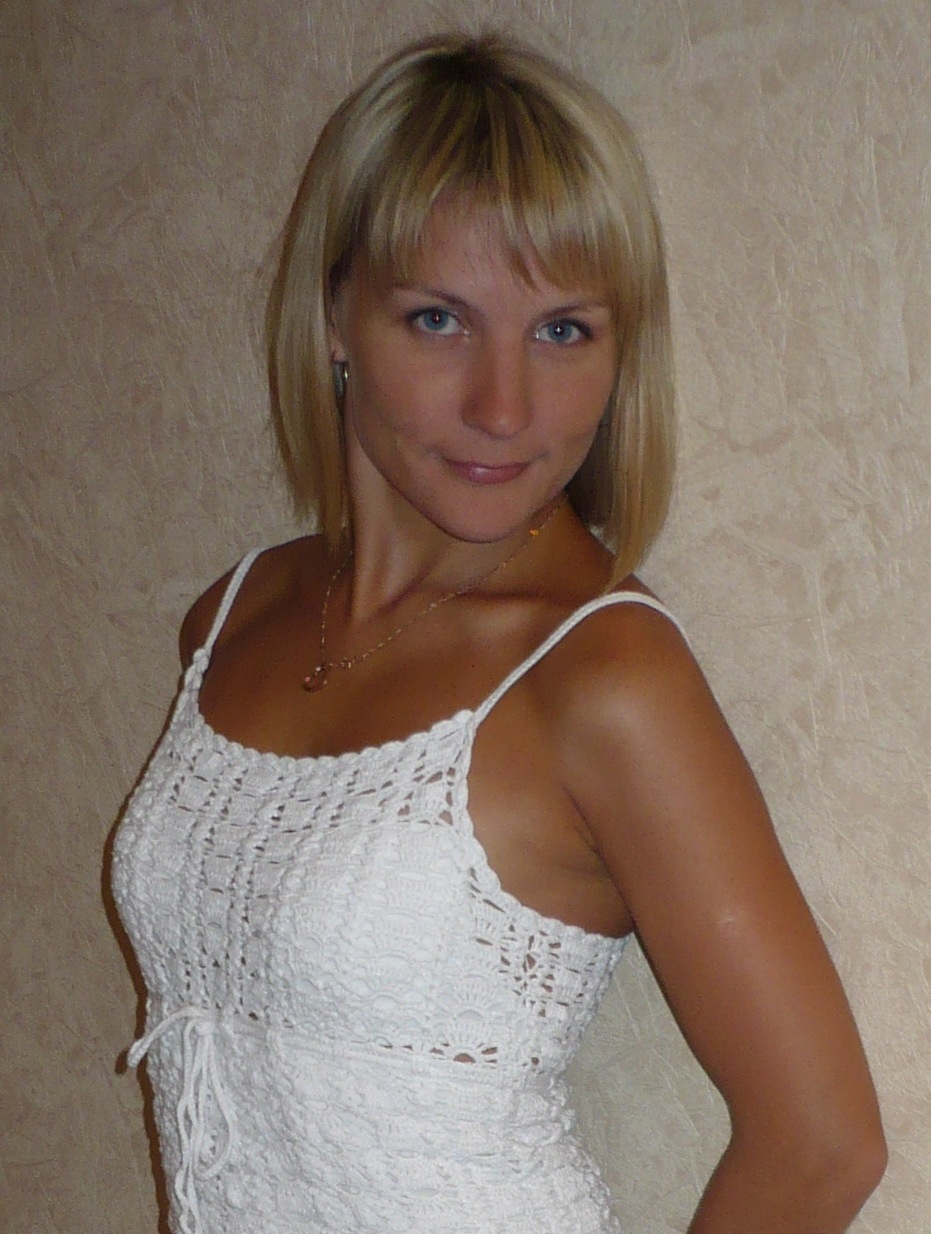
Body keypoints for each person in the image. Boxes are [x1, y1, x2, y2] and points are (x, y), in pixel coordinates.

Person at [111, 32, 886, 1234]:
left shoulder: (604, 675)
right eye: (438, 319)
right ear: (335, 315)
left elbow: (821, 1146)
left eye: (563, 330)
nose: (504, 405)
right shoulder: (234, 614)